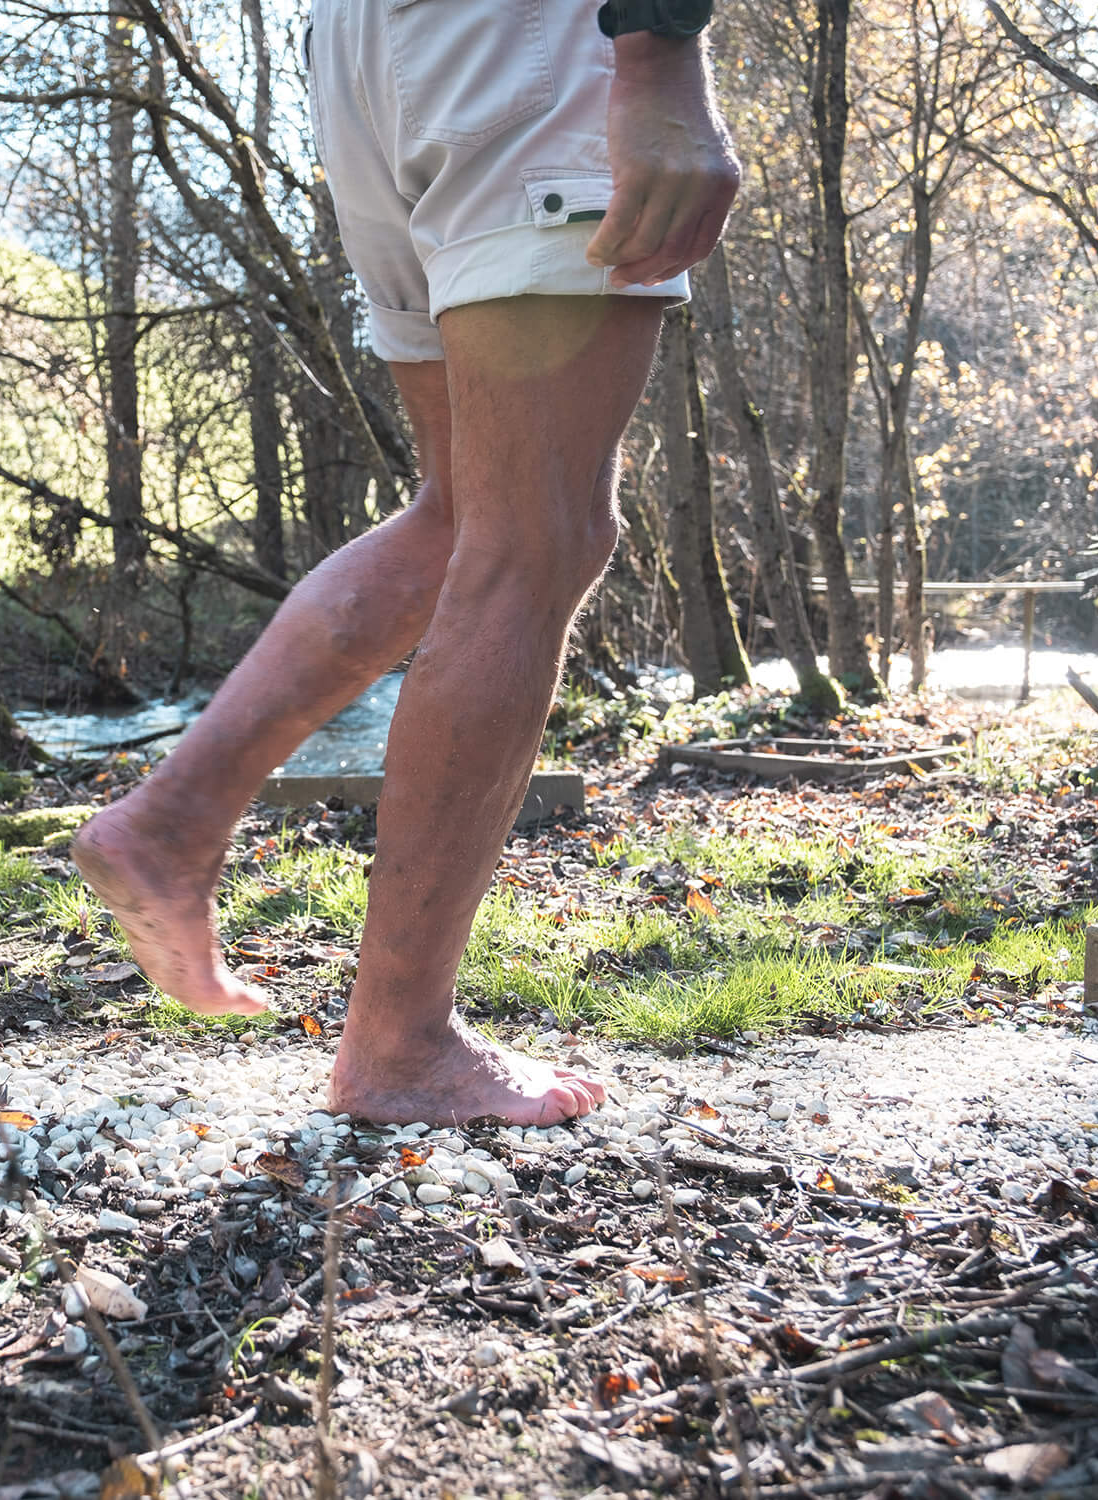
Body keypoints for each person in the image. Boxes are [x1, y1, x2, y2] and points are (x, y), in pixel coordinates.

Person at [73, 0, 739, 1127]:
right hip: (532, 41)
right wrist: (661, 45)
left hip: (373, 45)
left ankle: (173, 821)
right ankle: (402, 1044)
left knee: (462, 518)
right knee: (535, 539)